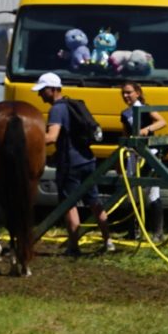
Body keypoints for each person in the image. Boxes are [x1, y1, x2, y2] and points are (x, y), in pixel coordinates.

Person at [35, 72, 115, 256]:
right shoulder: (72, 105)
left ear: (53, 89)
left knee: (69, 204)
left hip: (70, 164)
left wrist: (29, 140)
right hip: (88, 159)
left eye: (42, 90)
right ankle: (108, 241)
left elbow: (52, 137)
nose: (39, 95)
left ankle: (73, 246)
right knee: (94, 202)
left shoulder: (57, 110)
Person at [119, 81, 167, 239]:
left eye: (129, 92)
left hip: (149, 154)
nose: (126, 95)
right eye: (123, 93)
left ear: (137, 93)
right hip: (133, 155)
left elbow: (162, 121)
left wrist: (147, 129)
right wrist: (121, 157)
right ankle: (133, 231)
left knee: (152, 193)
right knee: (132, 193)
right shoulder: (125, 114)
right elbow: (125, 135)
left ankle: (157, 233)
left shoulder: (146, 108)